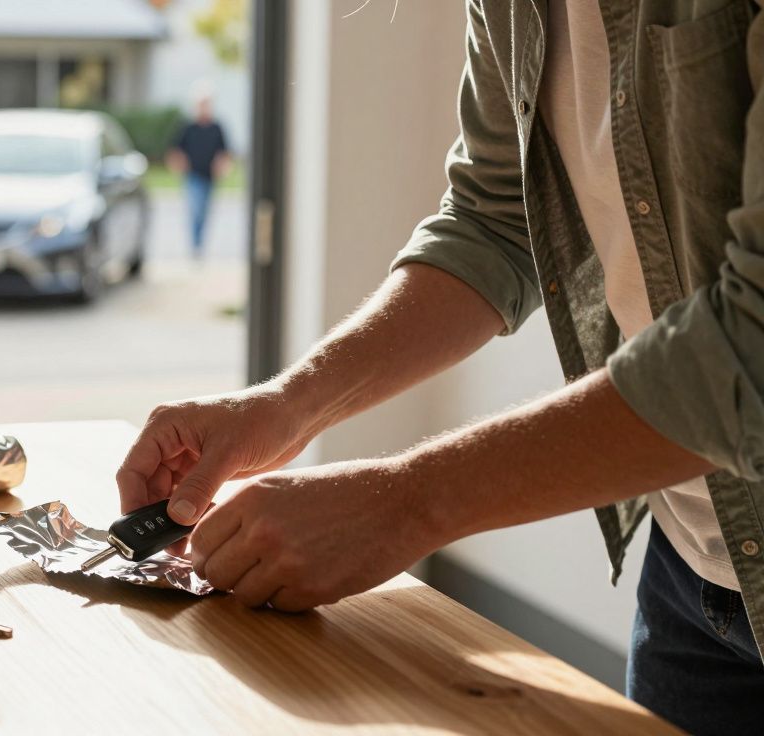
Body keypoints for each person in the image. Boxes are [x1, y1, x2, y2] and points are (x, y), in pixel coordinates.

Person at [117, 2, 764, 733]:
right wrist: (284, 404)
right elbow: (493, 218)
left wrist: (401, 506)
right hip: (691, 566)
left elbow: (753, 340)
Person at [168, 91, 230, 258]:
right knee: (195, 209)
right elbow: (176, 150)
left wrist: (222, 166)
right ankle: (196, 244)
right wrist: (178, 165)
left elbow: (223, 152)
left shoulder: (216, 127)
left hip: (209, 176)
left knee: (204, 211)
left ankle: (200, 242)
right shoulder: (188, 127)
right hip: (193, 176)